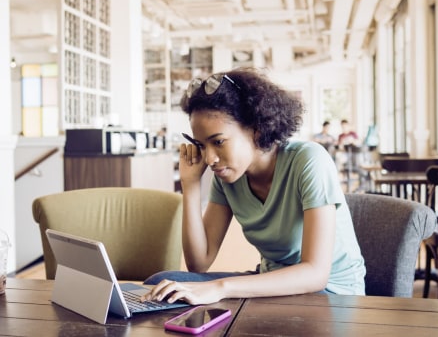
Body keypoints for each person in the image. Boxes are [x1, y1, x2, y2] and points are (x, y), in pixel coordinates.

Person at [142, 68, 366, 306]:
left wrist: (221, 288)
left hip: (333, 294)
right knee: (164, 283)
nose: (209, 159)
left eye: (218, 142)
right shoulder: (227, 176)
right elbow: (200, 262)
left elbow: (315, 274)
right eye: (201, 145)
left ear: (256, 129)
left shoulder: (309, 161)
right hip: (271, 283)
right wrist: (191, 184)